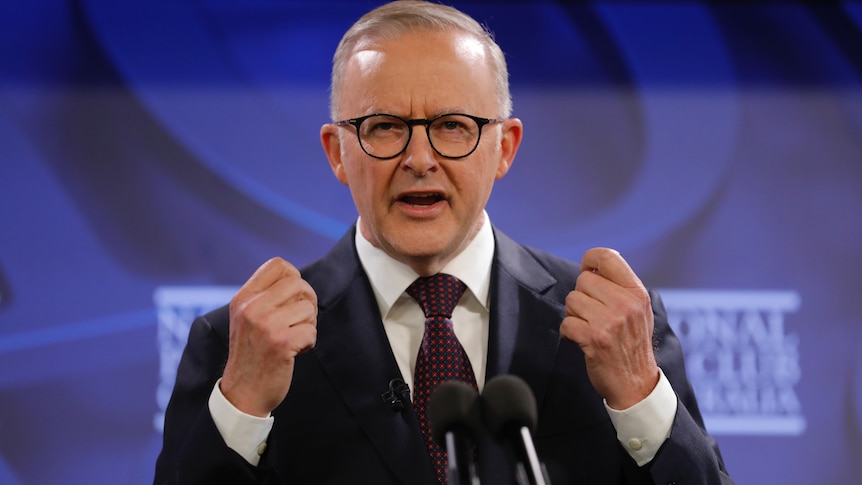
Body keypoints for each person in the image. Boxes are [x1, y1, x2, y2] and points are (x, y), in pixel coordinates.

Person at [154, 1, 733, 484]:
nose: (420, 159)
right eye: (385, 127)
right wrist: (243, 408)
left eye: (453, 125)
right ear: (337, 152)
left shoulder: (611, 329)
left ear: (505, 148)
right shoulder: (238, 344)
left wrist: (639, 397)